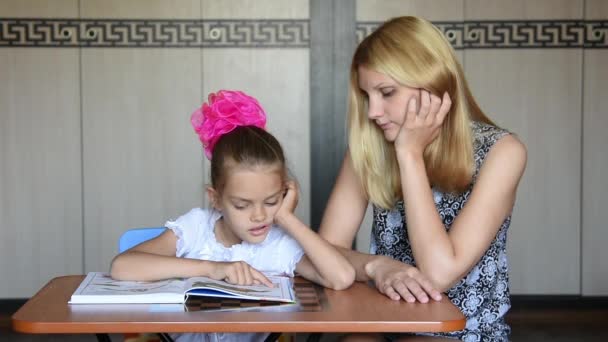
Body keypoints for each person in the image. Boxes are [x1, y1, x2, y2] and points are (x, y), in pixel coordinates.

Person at [317, 16, 527, 341]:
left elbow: (439, 273)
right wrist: (376, 266)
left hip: (465, 333)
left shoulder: (502, 152)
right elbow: (325, 251)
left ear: (432, 85)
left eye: (386, 92)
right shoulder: (369, 148)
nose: (372, 112)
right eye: (366, 95)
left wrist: (410, 156)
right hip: (387, 323)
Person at [110, 89, 355, 342]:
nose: (259, 216)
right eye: (242, 205)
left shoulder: (278, 245)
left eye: (271, 201)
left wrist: (286, 218)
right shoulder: (196, 228)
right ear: (215, 198)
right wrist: (212, 269)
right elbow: (122, 266)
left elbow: (341, 277)